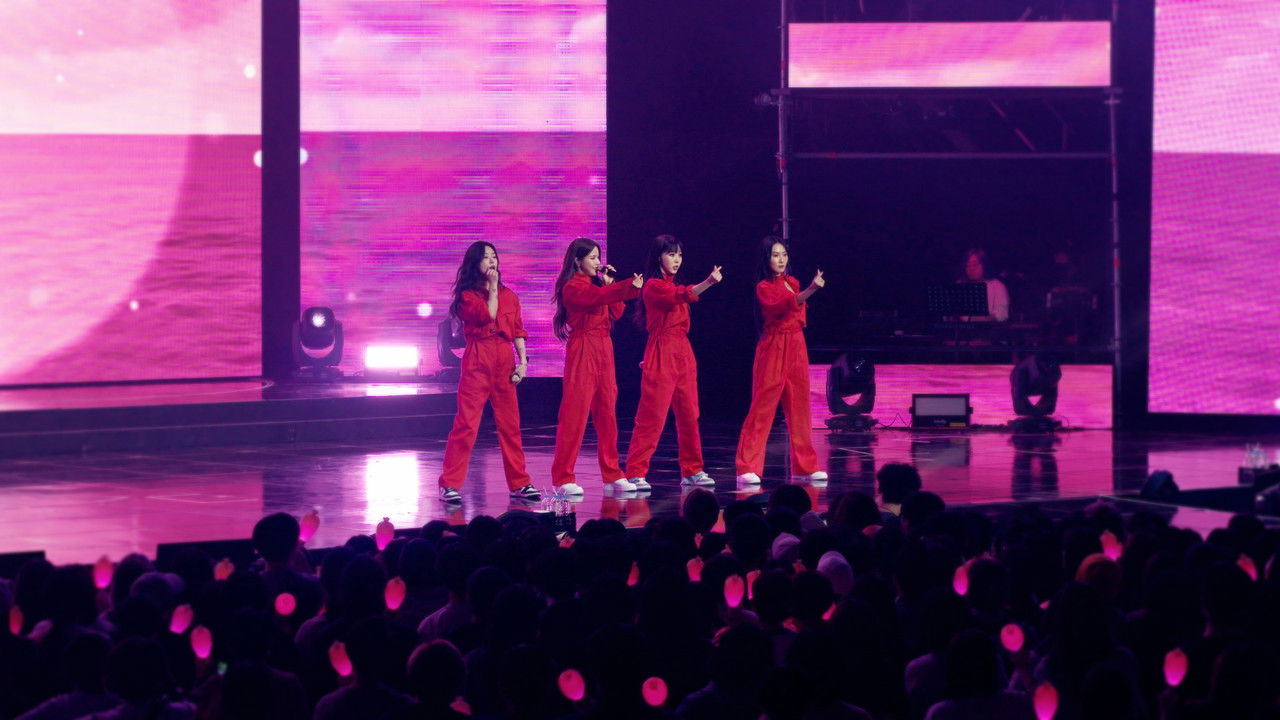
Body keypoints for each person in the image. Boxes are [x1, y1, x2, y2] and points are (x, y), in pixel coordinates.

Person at [438, 242, 540, 505]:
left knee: (510, 425)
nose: (492, 261)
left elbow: (517, 330)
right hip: (478, 359)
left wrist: (523, 362)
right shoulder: (467, 296)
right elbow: (488, 314)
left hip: (503, 359)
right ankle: (449, 484)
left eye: (494, 256)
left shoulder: (510, 296)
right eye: (485, 258)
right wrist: (493, 288)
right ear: (475, 264)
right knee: (467, 424)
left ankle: (519, 482)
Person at [623, 234, 722, 490]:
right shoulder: (653, 286)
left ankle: (693, 470)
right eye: (671, 254)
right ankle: (635, 472)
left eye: (679, 254)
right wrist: (709, 282)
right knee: (652, 416)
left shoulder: (673, 285)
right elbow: (682, 295)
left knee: (690, 414)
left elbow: (682, 294)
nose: (677, 259)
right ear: (659, 257)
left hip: (683, 352)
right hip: (662, 351)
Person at [549, 237, 643, 498]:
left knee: (607, 414)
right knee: (575, 414)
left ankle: (612, 473)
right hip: (583, 348)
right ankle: (563, 477)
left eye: (598, 257)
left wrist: (611, 285)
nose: (597, 262)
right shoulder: (572, 287)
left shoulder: (598, 286)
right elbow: (597, 298)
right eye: (591, 257)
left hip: (604, 347)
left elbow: (616, 312)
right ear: (578, 261)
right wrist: (625, 286)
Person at [735, 236, 828, 485]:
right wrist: (812, 289)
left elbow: (797, 307)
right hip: (774, 345)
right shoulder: (764, 286)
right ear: (766, 258)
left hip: (796, 344)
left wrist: (806, 290)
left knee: (800, 407)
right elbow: (785, 304)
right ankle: (747, 467)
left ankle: (805, 467)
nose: (781, 259)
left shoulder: (792, 282)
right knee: (762, 408)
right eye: (775, 255)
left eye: (784, 254)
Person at [959, 248, 1009, 322]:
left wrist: (971, 319)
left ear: (985, 265)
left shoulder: (997, 286)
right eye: (967, 265)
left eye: (975, 265)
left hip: (988, 328)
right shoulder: (961, 285)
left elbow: (1002, 315)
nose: (971, 268)